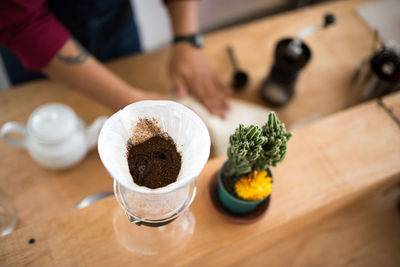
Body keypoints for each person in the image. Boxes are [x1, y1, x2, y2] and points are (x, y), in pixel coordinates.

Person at [0, 0, 231, 117]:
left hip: (116, 24)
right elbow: (25, 24)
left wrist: (186, 39)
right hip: (33, 48)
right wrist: (129, 100)